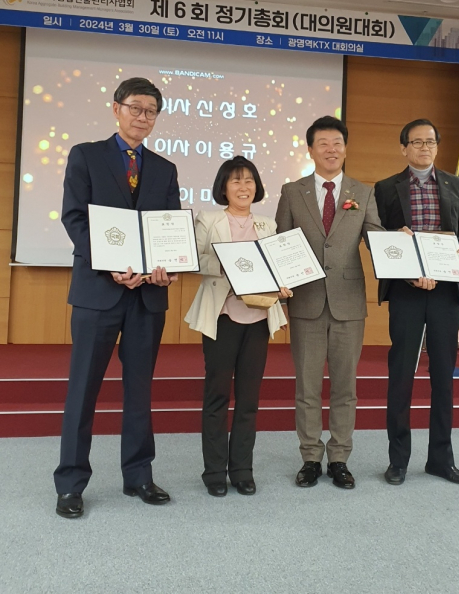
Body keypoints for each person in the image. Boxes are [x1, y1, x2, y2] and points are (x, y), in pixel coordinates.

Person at [54, 77, 180, 518]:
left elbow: (168, 229)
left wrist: (167, 268)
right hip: (98, 292)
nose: (142, 117)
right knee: (83, 389)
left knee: (140, 391)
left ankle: (139, 475)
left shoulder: (164, 168)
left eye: (151, 111)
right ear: (116, 108)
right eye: (135, 108)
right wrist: (109, 264)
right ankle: (70, 484)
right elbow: (74, 218)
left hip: (147, 297)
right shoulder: (86, 155)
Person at [275, 116, 383, 489]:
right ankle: (309, 457)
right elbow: (281, 241)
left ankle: (339, 458)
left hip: (348, 303)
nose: (331, 149)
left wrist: (397, 243)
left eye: (337, 143)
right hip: (305, 299)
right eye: (323, 143)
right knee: (307, 386)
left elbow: (375, 236)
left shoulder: (362, 192)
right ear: (310, 149)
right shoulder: (293, 192)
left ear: (345, 148)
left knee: (344, 387)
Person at [374, 119, 459, 486]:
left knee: (443, 377)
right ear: (404, 148)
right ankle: (398, 460)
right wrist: (403, 261)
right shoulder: (386, 188)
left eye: (430, 141)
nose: (424, 148)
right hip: (406, 290)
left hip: (446, 290)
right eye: (416, 142)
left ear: (437, 146)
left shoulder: (456, 184)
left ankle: (440, 460)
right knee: (401, 375)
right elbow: (378, 237)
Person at [185, 156, 290, 497]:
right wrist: (228, 261)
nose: (243, 187)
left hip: (258, 318)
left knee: (249, 398)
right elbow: (194, 259)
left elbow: (278, 266)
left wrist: (283, 283)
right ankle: (214, 471)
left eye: (249, 181)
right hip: (223, 316)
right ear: (224, 187)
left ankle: (242, 470)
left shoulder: (268, 225)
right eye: (236, 181)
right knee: (217, 395)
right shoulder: (209, 219)